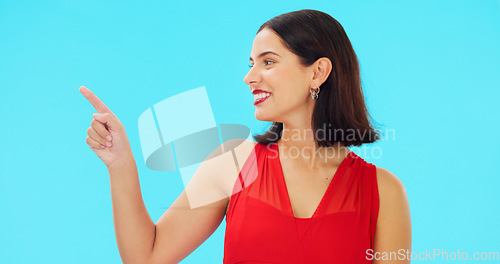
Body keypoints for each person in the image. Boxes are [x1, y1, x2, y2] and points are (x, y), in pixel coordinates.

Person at [81, 9, 411, 264]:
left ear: (318, 72)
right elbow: (146, 257)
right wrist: (120, 163)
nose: (249, 77)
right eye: (251, 63)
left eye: (268, 62)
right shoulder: (233, 163)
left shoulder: (383, 192)